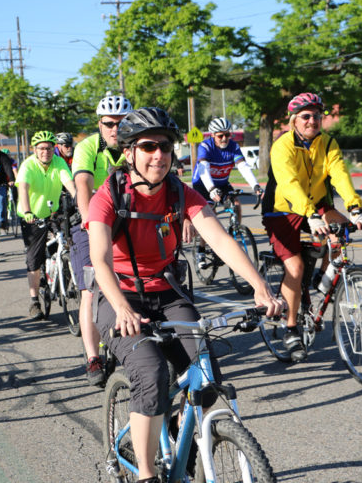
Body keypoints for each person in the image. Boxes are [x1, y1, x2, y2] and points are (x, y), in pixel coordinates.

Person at [88, 107, 283, 482]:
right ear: (129, 152)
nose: (158, 155)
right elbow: (99, 260)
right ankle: (146, 473)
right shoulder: (109, 195)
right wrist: (121, 308)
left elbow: (220, 239)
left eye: (164, 146)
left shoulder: (180, 193)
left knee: (206, 377)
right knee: (151, 372)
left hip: (167, 291)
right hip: (119, 296)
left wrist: (260, 286)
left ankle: (183, 452)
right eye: (148, 146)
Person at [261, 92, 362, 362]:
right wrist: (310, 214)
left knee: (342, 232)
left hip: (317, 202)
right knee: (295, 267)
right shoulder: (282, 145)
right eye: (306, 116)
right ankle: (290, 329)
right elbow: (288, 183)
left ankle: (320, 285)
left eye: (317, 116)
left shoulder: (328, 142)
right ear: (294, 120)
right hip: (282, 209)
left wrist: (355, 209)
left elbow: (340, 175)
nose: (312, 121)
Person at [71, 92, 133, 386]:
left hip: (128, 218)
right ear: (99, 123)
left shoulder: (136, 145)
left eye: (121, 123)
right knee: (90, 287)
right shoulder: (87, 148)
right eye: (109, 123)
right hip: (91, 221)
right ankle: (92, 357)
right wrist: (89, 221)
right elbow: (82, 185)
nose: (115, 130)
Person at [15, 130, 77, 319]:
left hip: (53, 213)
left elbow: (70, 183)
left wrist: (80, 201)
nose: (45, 152)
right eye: (41, 148)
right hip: (32, 216)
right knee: (34, 259)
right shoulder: (28, 165)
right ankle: (34, 301)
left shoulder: (59, 163)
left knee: (68, 243)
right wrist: (27, 212)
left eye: (49, 148)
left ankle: (62, 275)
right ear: (35, 150)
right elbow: (23, 189)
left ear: (54, 149)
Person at [191, 117, 262, 267]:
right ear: (212, 135)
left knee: (236, 204)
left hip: (222, 183)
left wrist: (255, 185)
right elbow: (203, 170)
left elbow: (243, 166)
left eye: (227, 135)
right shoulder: (205, 146)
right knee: (210, 213)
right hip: (203, 184)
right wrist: (211, 189)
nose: (224, 138)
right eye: (220, 135)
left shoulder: (233, 146)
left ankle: (235, 233)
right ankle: (201, 249)